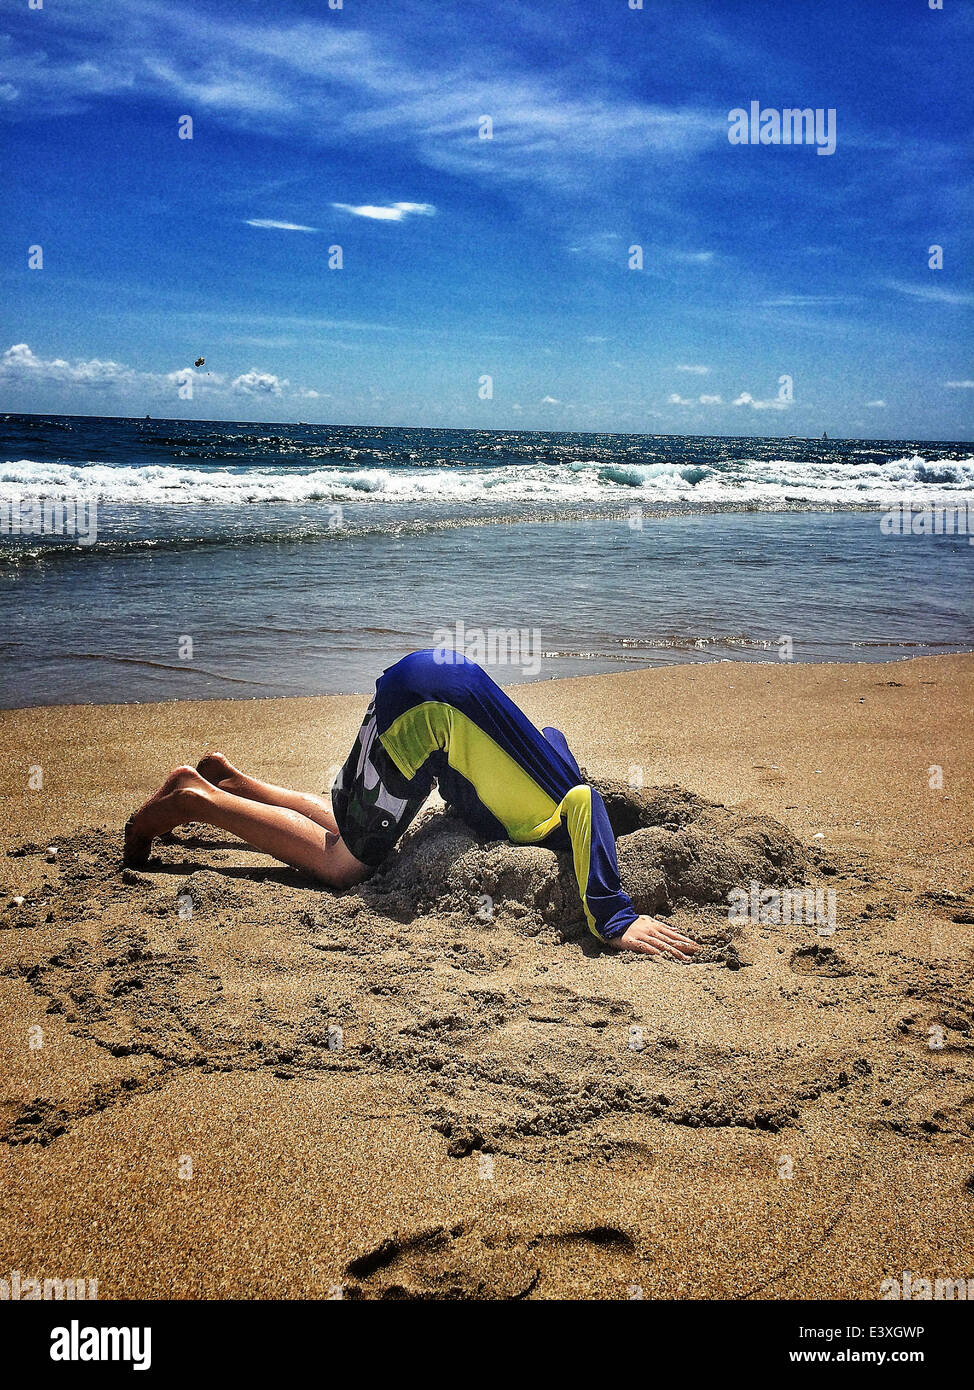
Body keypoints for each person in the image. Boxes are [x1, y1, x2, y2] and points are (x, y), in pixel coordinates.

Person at [124, 650, 699, 959]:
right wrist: (613, 915)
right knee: (342, 865)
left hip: (425, 675)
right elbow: (586, 801)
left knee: (354, 828)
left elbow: (552, 733)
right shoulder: (549, 815)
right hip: (426, 715)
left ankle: (233, 781)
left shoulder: (554, 771)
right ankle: (197, 801)